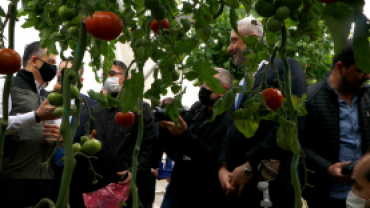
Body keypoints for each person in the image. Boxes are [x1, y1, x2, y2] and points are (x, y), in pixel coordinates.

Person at [218, 17, 307, 208]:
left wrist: (250, 166)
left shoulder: (285, 67)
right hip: (236, 191)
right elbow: (230, 131)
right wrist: (223, 167)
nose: (229, 48)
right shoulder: (241, 84)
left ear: (254, 39)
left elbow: (291, 123)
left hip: (269, 191)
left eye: (234, 40)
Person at [70, 60, 158, 208]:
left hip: (127, 186)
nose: (107, 78)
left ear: (126, 78)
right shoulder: (96, 109)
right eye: (104, 75)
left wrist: (135, 170)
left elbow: (149, 145)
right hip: (98, 186)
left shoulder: (139, 108)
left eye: (112, 74)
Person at [300, 39, 370, 208]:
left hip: (363, 196)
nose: (367, 76)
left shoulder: (367, 96)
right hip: (326, 196)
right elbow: (300, 144)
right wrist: (327, 168)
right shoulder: (310, 99)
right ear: (340, 67)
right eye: (360, 70)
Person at [158, 68, 233, 208]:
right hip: (179, 187)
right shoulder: (197, 108)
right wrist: (167, 131)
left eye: (208, 83)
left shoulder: (229, 119)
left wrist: (185, 134)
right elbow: (179, 147)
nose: (203, 87)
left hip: (205, 194)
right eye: (203, 83)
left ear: (223, 90)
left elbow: (213, 158)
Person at [0, 41, 61, 207]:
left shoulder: (49, 96)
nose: (54, 69)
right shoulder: (6, 86)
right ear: (34, 61)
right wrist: (35, 116)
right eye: (51, 62)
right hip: (14, 177)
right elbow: (1, 124)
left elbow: (56, 132)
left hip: (46, 179)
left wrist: (60, 138)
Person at [53, 60, 98, 202]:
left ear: (81, 79)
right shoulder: (46, 99)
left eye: (71, 74)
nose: (66, 77)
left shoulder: (92, 105)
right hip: (46, 174)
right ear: (57, 74)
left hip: (77, 176)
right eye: (63, 73)